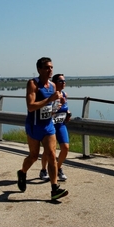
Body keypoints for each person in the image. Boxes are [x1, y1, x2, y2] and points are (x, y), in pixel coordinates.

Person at [17, 57, 69, 200]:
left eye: (51, 67)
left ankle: (54, 189)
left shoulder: (52, 85)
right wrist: (49, 100)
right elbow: (31, 106)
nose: (50, 69)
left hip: (48, 126)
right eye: (46, 67)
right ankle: (22, 172)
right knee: (34, 156)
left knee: (52, 155)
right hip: (34, 126)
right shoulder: (33, 84)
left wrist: (58, 104)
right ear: (39, 69)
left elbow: (51, 108)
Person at [40, 74, 72, 181]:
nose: (63, 83)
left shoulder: (64, 94)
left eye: (64, 81)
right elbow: (45, 111)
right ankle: (44, 170)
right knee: (49, 150)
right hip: (50, 125)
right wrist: (55, 109)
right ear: (54, 83)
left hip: (61, 125)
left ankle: (57, 168)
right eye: (60, 81)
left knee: (65, 148)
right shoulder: (51, 95)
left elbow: (65, 108)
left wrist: (68, 113)